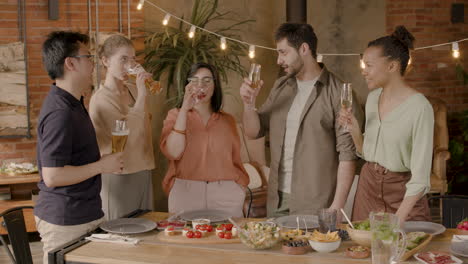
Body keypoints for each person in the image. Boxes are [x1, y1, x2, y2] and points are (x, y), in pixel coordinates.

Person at [240, 23, 364, 217]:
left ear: (304, 49)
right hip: (277, 200)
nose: (279, 60)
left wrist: (337, 207)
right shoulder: (281, 86)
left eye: (283, 52)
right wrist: (248, 103)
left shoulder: (339, 93)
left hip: (315, 203)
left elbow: (347, 156)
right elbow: (253, 131)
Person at [35, 31, 123, 264]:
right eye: (88, 57)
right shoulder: (60, 112)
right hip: (66, 218)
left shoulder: (73, 103)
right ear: (70, 63)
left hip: (83, 213)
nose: (93, 64)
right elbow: (52, 175)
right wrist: (101, 165)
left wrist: (99, 162)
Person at [339, 26, 433, 224]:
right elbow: (368, 153)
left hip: (402, 192)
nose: (364, 72)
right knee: (363, 248)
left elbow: (421, 178)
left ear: (392, 66)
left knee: (404, 249)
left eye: (369, 65)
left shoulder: (420, 107)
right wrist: (355, 131)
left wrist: (397, 220)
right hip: (368, 186)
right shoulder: (373, 99)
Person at [160, 62, 249, 218]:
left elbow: (235, 159)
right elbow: (173, 152)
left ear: (215, 86)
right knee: (184, 241)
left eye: (207, 80)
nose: (200, 86)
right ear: (187, 85)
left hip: (226, 194)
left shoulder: (228, 121)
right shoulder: (175, 115)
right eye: (194, 80)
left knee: (230, 241)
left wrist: (238, 188)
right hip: (185, 194)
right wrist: (184, 110)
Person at [89, 34, 155, 220]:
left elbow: (144, 128)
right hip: (119, 175)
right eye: (123, 59)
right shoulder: (101, 99)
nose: (129, 65)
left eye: (132, 59)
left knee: (146, 230)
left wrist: (141, 93)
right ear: (105, 61)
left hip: (143, 170)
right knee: (122, 233)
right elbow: (124, 133)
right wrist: (143, 95)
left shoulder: (133, 90)